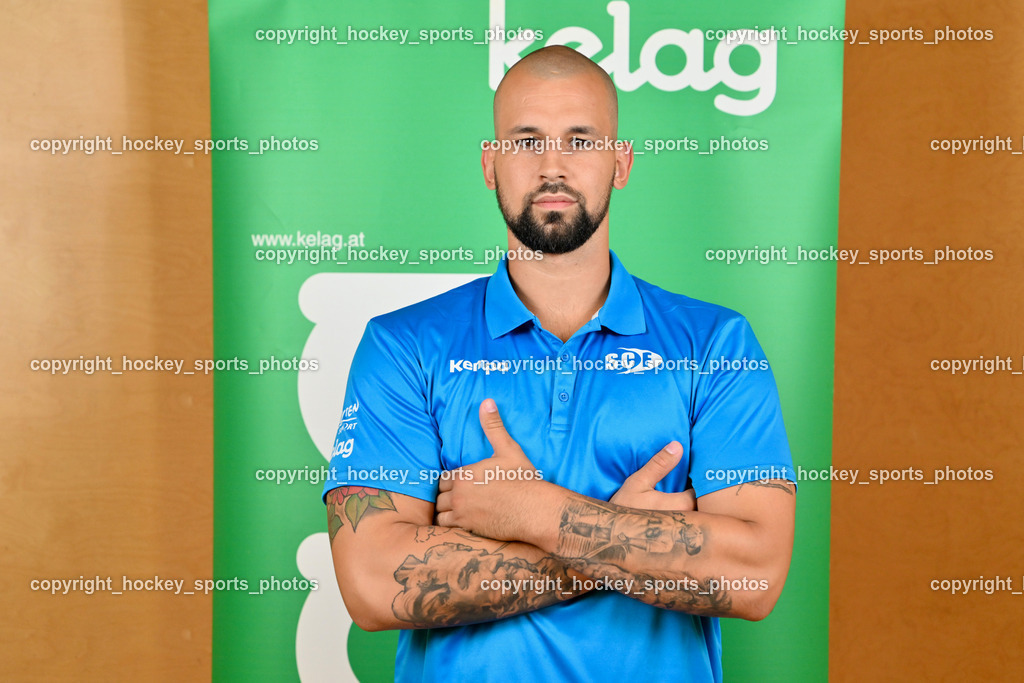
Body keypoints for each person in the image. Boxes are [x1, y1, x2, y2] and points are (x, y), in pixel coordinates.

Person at [322, 45, 796, 683]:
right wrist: (627, 537)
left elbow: (754, 576)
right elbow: (374, 584)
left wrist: (533, 513)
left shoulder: (716, 345)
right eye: (526, 141)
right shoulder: (402, 346)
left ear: (620, 162)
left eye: (581, 139)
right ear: (490, 164)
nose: (552, 166)